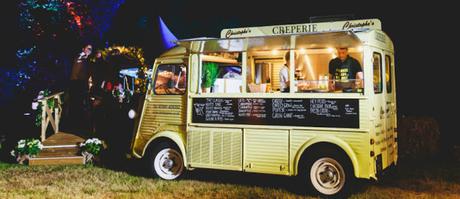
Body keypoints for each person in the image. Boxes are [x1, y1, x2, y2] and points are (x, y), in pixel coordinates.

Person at [67, 44, 92, 135]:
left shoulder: (87, 59)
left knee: (82, 104)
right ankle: (74, 126)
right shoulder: (80, 56)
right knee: (76, 104)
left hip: (83, 84)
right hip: (76, 83)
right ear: (83, 49)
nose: (89, 50)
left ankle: (80, 125)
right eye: (88, 48)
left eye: (91, 49)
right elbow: (76, 68)